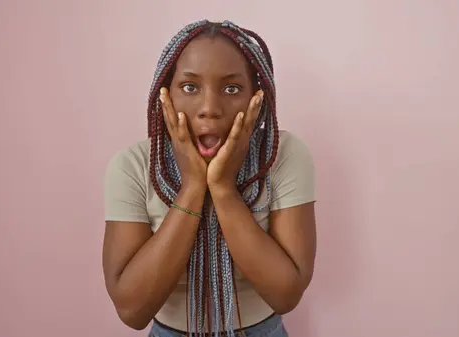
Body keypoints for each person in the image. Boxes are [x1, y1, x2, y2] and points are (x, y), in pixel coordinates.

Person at [102, 19, 317, 337]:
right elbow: (132, 311)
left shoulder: (284, 156)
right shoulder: (133, 166)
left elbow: (285, 294)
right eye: (190, 87)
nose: (209, 108)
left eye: (232, 88)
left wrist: (223, 189)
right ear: (166, 95)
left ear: (255, 98)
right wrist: (192, 187)